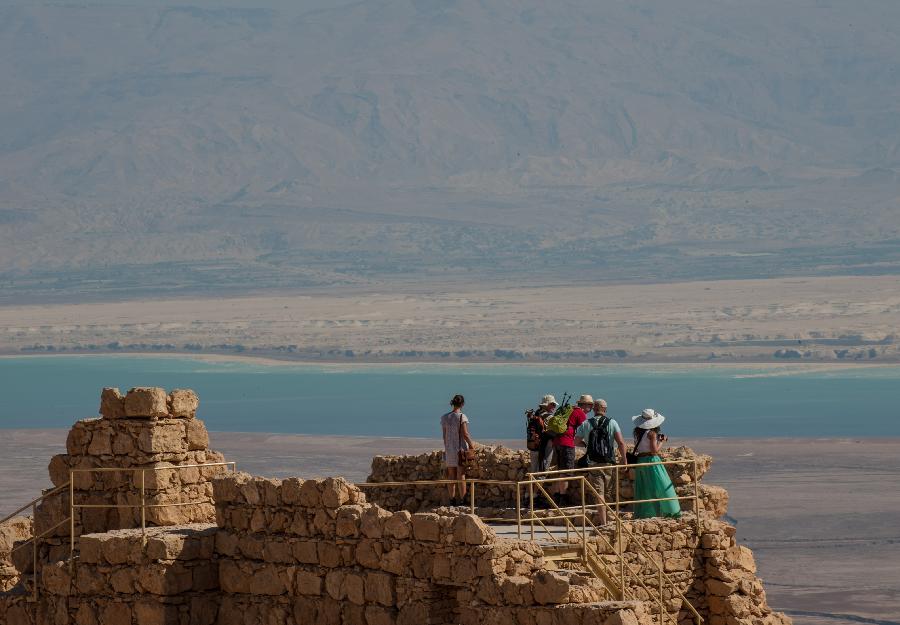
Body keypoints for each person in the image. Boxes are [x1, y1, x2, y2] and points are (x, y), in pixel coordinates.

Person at [574, 398, 627, 525]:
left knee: (599, 494)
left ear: (593, 410)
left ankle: (604, 523)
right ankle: (611, 519)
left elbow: (575, 441)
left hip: (593, 464)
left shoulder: (586, 423)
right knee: (609, 493)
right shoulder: (612, 422)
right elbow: (620, 442)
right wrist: (624, 459)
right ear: (605, 409)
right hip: (609, 462)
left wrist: (586, 444)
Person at [631, 409, 681, 519]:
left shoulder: (637, 433)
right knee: (663, 486)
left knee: (645, 488)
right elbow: (654, 450)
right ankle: (671, 512)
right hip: (652, 461)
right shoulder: (652, 433)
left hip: (641, 461)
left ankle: (646, 514)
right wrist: (661, 441)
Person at [552, 394, 590, 506]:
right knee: (566, 472)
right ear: (585, 405)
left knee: (560, 471)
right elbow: (585, 431)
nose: (591, 408)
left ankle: (557, 496)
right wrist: (587, 443)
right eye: (590, 405)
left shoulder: (570, 410)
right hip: (567, 444)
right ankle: (562, 499)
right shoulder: (580, 413)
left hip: (557, 442)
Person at [441, 394, 476, 506]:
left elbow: (444, 435)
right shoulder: (462, 417)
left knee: (451, 475)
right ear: (462, 404)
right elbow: (465, 434)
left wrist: (448, 446)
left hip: (449, 449)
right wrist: (472, 446)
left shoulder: (445, 417)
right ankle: (463, 500)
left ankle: (451, 500)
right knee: (461, 474)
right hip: (460, 449)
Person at [526, 394, 557, 474]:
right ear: (547, 405)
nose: (554, 406)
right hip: (544, 446)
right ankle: (539, 485)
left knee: (533, 469)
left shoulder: (536, 413)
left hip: (533, 445)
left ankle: (531, 486)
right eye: (553, 404)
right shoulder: (549, 417)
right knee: (544, 468)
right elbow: (552, 432)